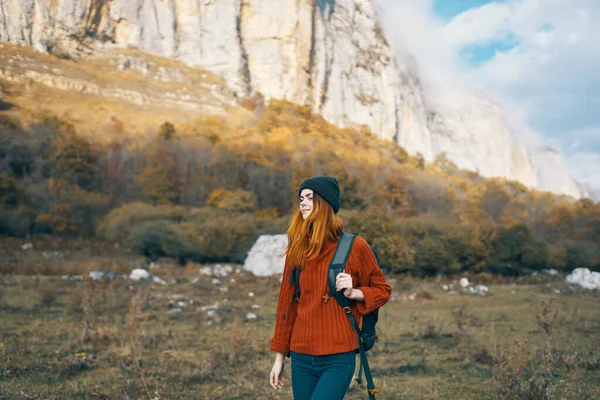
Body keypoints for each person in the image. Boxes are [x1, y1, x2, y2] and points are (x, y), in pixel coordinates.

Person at [269, 176, 392, 400]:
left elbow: (383, 290)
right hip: (301, 356)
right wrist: (279, 359)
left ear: (326, 204)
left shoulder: (355, 246)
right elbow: (286, 305)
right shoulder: (298, 247)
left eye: (310, 198)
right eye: (301, 198)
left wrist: (356, 292)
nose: (303, 203)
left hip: (338, 356)